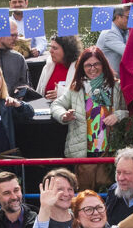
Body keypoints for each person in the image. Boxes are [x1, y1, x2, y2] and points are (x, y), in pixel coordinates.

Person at [54, 47, 126, 191]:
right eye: (88, 65)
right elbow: (57, 104)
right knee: (84, 194)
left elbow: (128, 111)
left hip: (110, 151)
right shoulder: (76, 88)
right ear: (82, 67)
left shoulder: (116, 87)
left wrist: (118, 116)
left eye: (96, 64)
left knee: (109, 191)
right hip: (84, 152)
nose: (92, 68)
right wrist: (64, 115)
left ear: (103, 65)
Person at [0, 25, 34, 96]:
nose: (17, 39)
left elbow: (25, 86)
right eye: (12, 35)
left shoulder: (19, 58)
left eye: (17, 35)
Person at [38, 36, 80, 101]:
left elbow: (82, 96)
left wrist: (61, 94)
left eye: (54, 48)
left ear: (67, 51)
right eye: (50, 47)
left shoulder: (79, 69)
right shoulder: (48, 66)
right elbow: (38, 94)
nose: (50, 51)